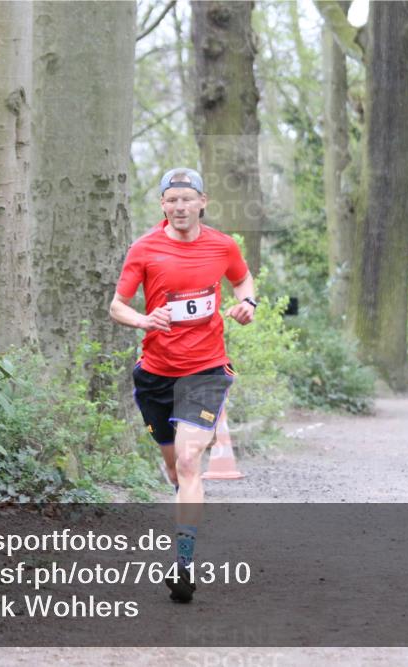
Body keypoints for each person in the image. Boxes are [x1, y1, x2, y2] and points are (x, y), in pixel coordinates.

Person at [109, 167, 256, 603]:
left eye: (186, 199)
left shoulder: (222, 245)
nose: (179, 207)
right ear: (162, 206)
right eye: (171, 200)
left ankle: (183, 564)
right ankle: (182, 495)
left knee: (191, 461)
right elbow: (117, 305)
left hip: (206, 369)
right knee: (175, 469)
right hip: (155, 372)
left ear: (202, 201)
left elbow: (243, 279)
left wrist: (247, 302)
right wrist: (143, 318)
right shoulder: (144, 249)